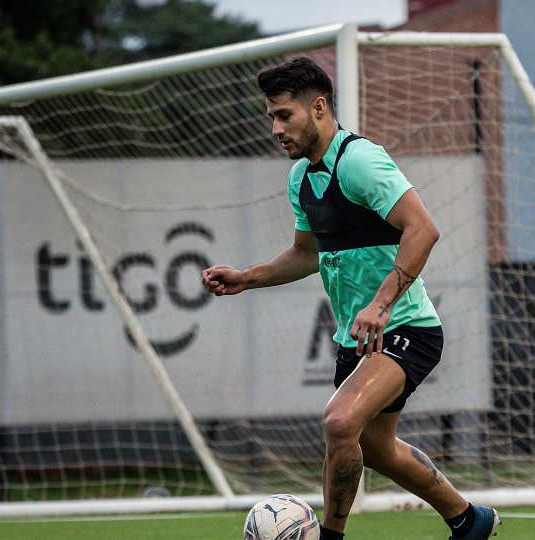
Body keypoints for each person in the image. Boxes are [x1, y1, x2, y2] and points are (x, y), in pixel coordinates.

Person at [202, 57, 500, 540]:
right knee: (377, 448)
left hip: (406, 326)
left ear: (318, 108)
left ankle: (330, 536)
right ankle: (468, 520)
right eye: (271, 117)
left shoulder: (360, 161)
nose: (275, 128)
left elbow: (423, 230)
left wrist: (381, 303)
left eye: (284, 115)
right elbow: (305, 253)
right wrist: (247, 277)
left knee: (339, 422)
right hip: (358, 338)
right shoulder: (301, 178)